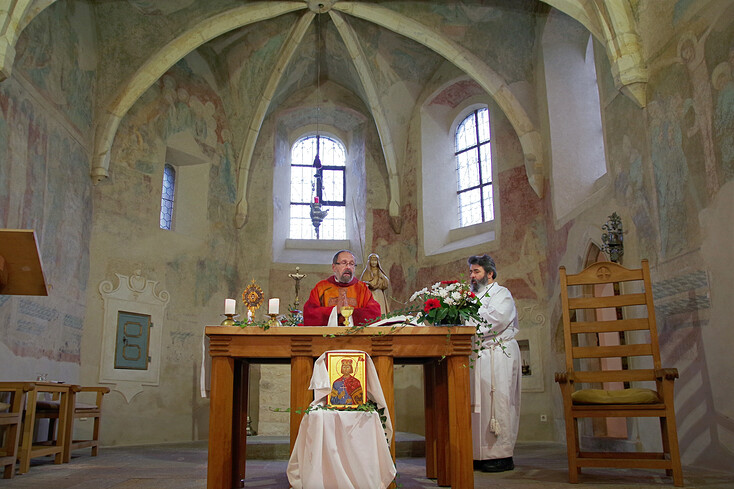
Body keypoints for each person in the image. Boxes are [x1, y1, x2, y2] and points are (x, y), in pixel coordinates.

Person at [467, 254, 521, 473]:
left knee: (499, 402)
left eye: (476, 271)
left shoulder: (502, 294)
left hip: (498, 354)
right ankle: (478, 454)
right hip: (478, 354)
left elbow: (495, 320)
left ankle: (501, 455)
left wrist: (467, 319)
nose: (472, 276)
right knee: (478, 406)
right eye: (470, 272)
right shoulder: (469, 297)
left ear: (490, 274)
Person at [303, 250, 381, 326]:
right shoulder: (321, 288)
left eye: (352, 264)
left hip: (356, 337)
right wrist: (335, 311)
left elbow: (374, 313)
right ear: (334, 267)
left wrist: (349, 312)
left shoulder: (362, 288)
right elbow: (309, 313)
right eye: (344, 263)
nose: (348, 267)